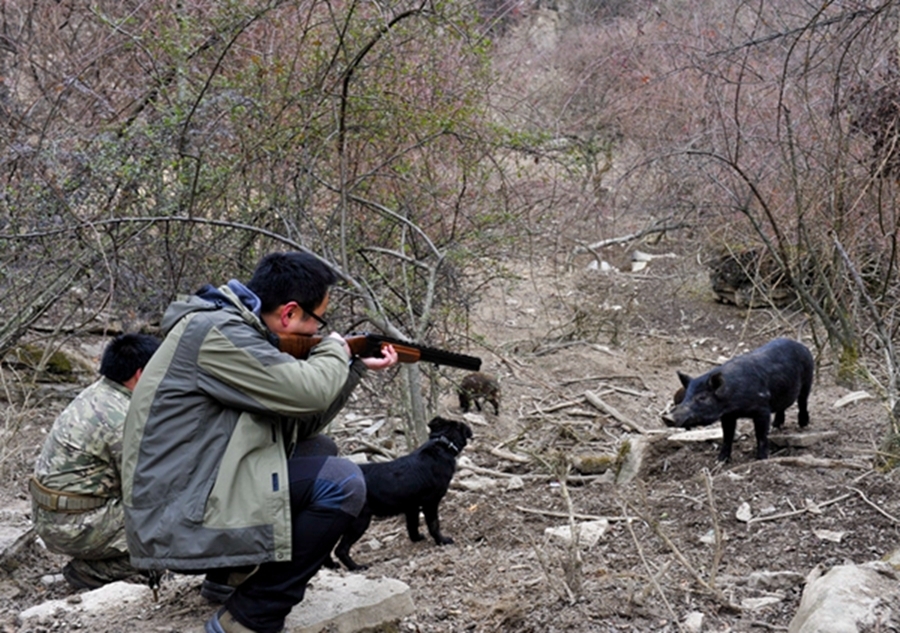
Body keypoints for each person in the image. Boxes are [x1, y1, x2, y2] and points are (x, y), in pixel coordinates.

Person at [121, 251, 399, 633]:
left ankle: (229, 577)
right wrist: (337, 348)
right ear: (288, 314)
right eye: (317, 321)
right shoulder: (218, 332)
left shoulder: (235, 329)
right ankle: (250, 617)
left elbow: (301, 422)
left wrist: (351, 369)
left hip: (188, 496)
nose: (318, 332)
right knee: (343, 482)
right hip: (175, 518)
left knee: (320, 451)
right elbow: (308, 393)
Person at [30, 332, 161, 590]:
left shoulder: (99, 393)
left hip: (54, 517)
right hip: (75, 526)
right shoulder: (124, 417)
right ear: (141, 374)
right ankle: (93, 571)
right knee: (176, 527)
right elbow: (150, 487)